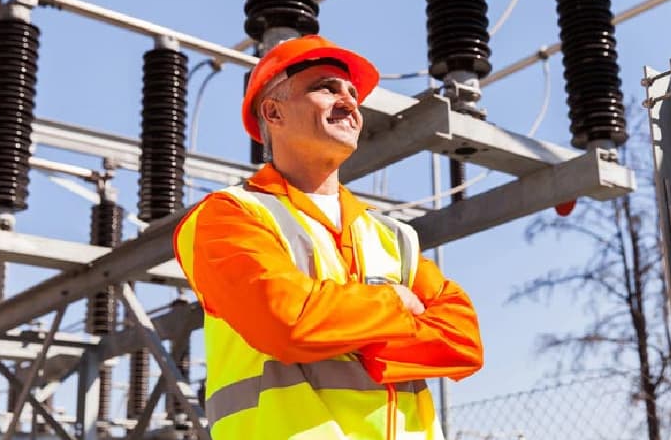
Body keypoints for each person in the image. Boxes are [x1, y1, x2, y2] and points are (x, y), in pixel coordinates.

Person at [173, 34, 483, 440]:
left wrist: (346, 335)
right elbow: (286, 323)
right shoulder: (227, 216)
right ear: (273, 111)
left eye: (353, 93)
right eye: (326, 87)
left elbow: (463, 341)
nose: (350, 102)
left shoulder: (392, 236)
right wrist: (396, 304)